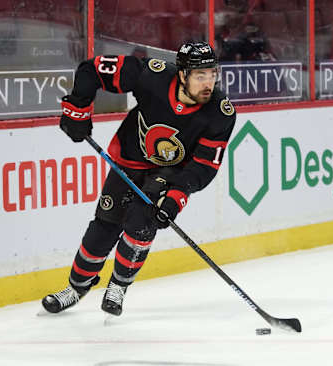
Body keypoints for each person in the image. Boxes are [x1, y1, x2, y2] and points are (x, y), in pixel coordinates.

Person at [42, 42, 236, 316]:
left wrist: (176, 196)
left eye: (212, 74)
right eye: (199, 75)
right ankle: (76, 287)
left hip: (168, 173)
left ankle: (119, 286)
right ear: (182, 74)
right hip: (129, 159)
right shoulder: (152, 76)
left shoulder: (220, 113)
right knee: (104, 227)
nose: (208, 83)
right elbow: (91, 70)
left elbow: (204, 165)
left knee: (141, 224)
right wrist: (78, 109)